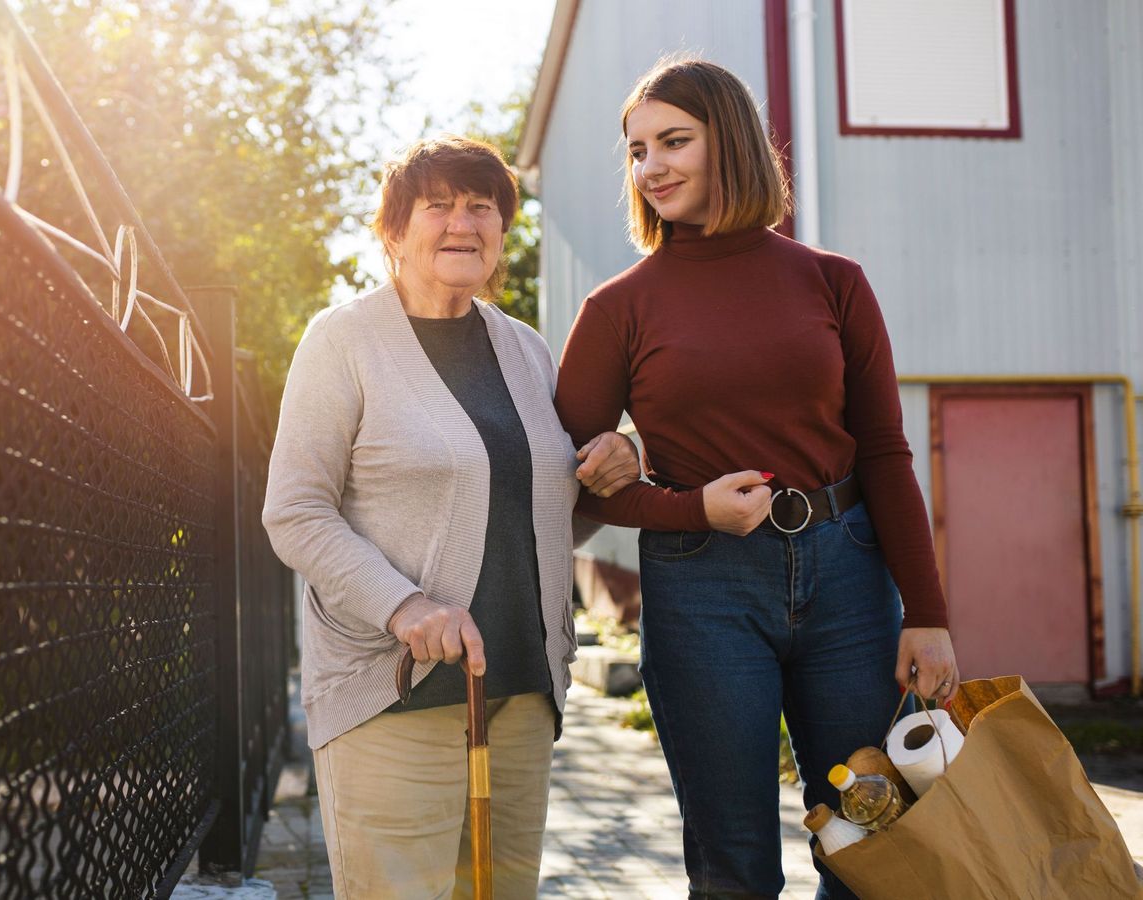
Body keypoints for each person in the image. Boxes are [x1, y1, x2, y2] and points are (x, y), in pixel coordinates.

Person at [553, 59, 959, 900]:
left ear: (731, 141)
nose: (651, 167)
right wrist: (685, 507)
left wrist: (928, 615)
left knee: (872, 847)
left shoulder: (834, 282)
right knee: (733, 867)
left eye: (674, 142)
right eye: (637, 151)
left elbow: (886, 453)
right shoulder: (616, 309)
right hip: (702, 589)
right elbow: (570, 485)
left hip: (850, 578)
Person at [263, 135, 640, 899]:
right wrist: (404, 605)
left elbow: (541, 511)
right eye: (437, 205)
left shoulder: (526, 350)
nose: (463, 222)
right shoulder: (342, 342)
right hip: (392, 695)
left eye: (482, 206)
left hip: (522, 696)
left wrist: (620, 458)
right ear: (394, 231)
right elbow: (295, 511)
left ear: (502, 229)